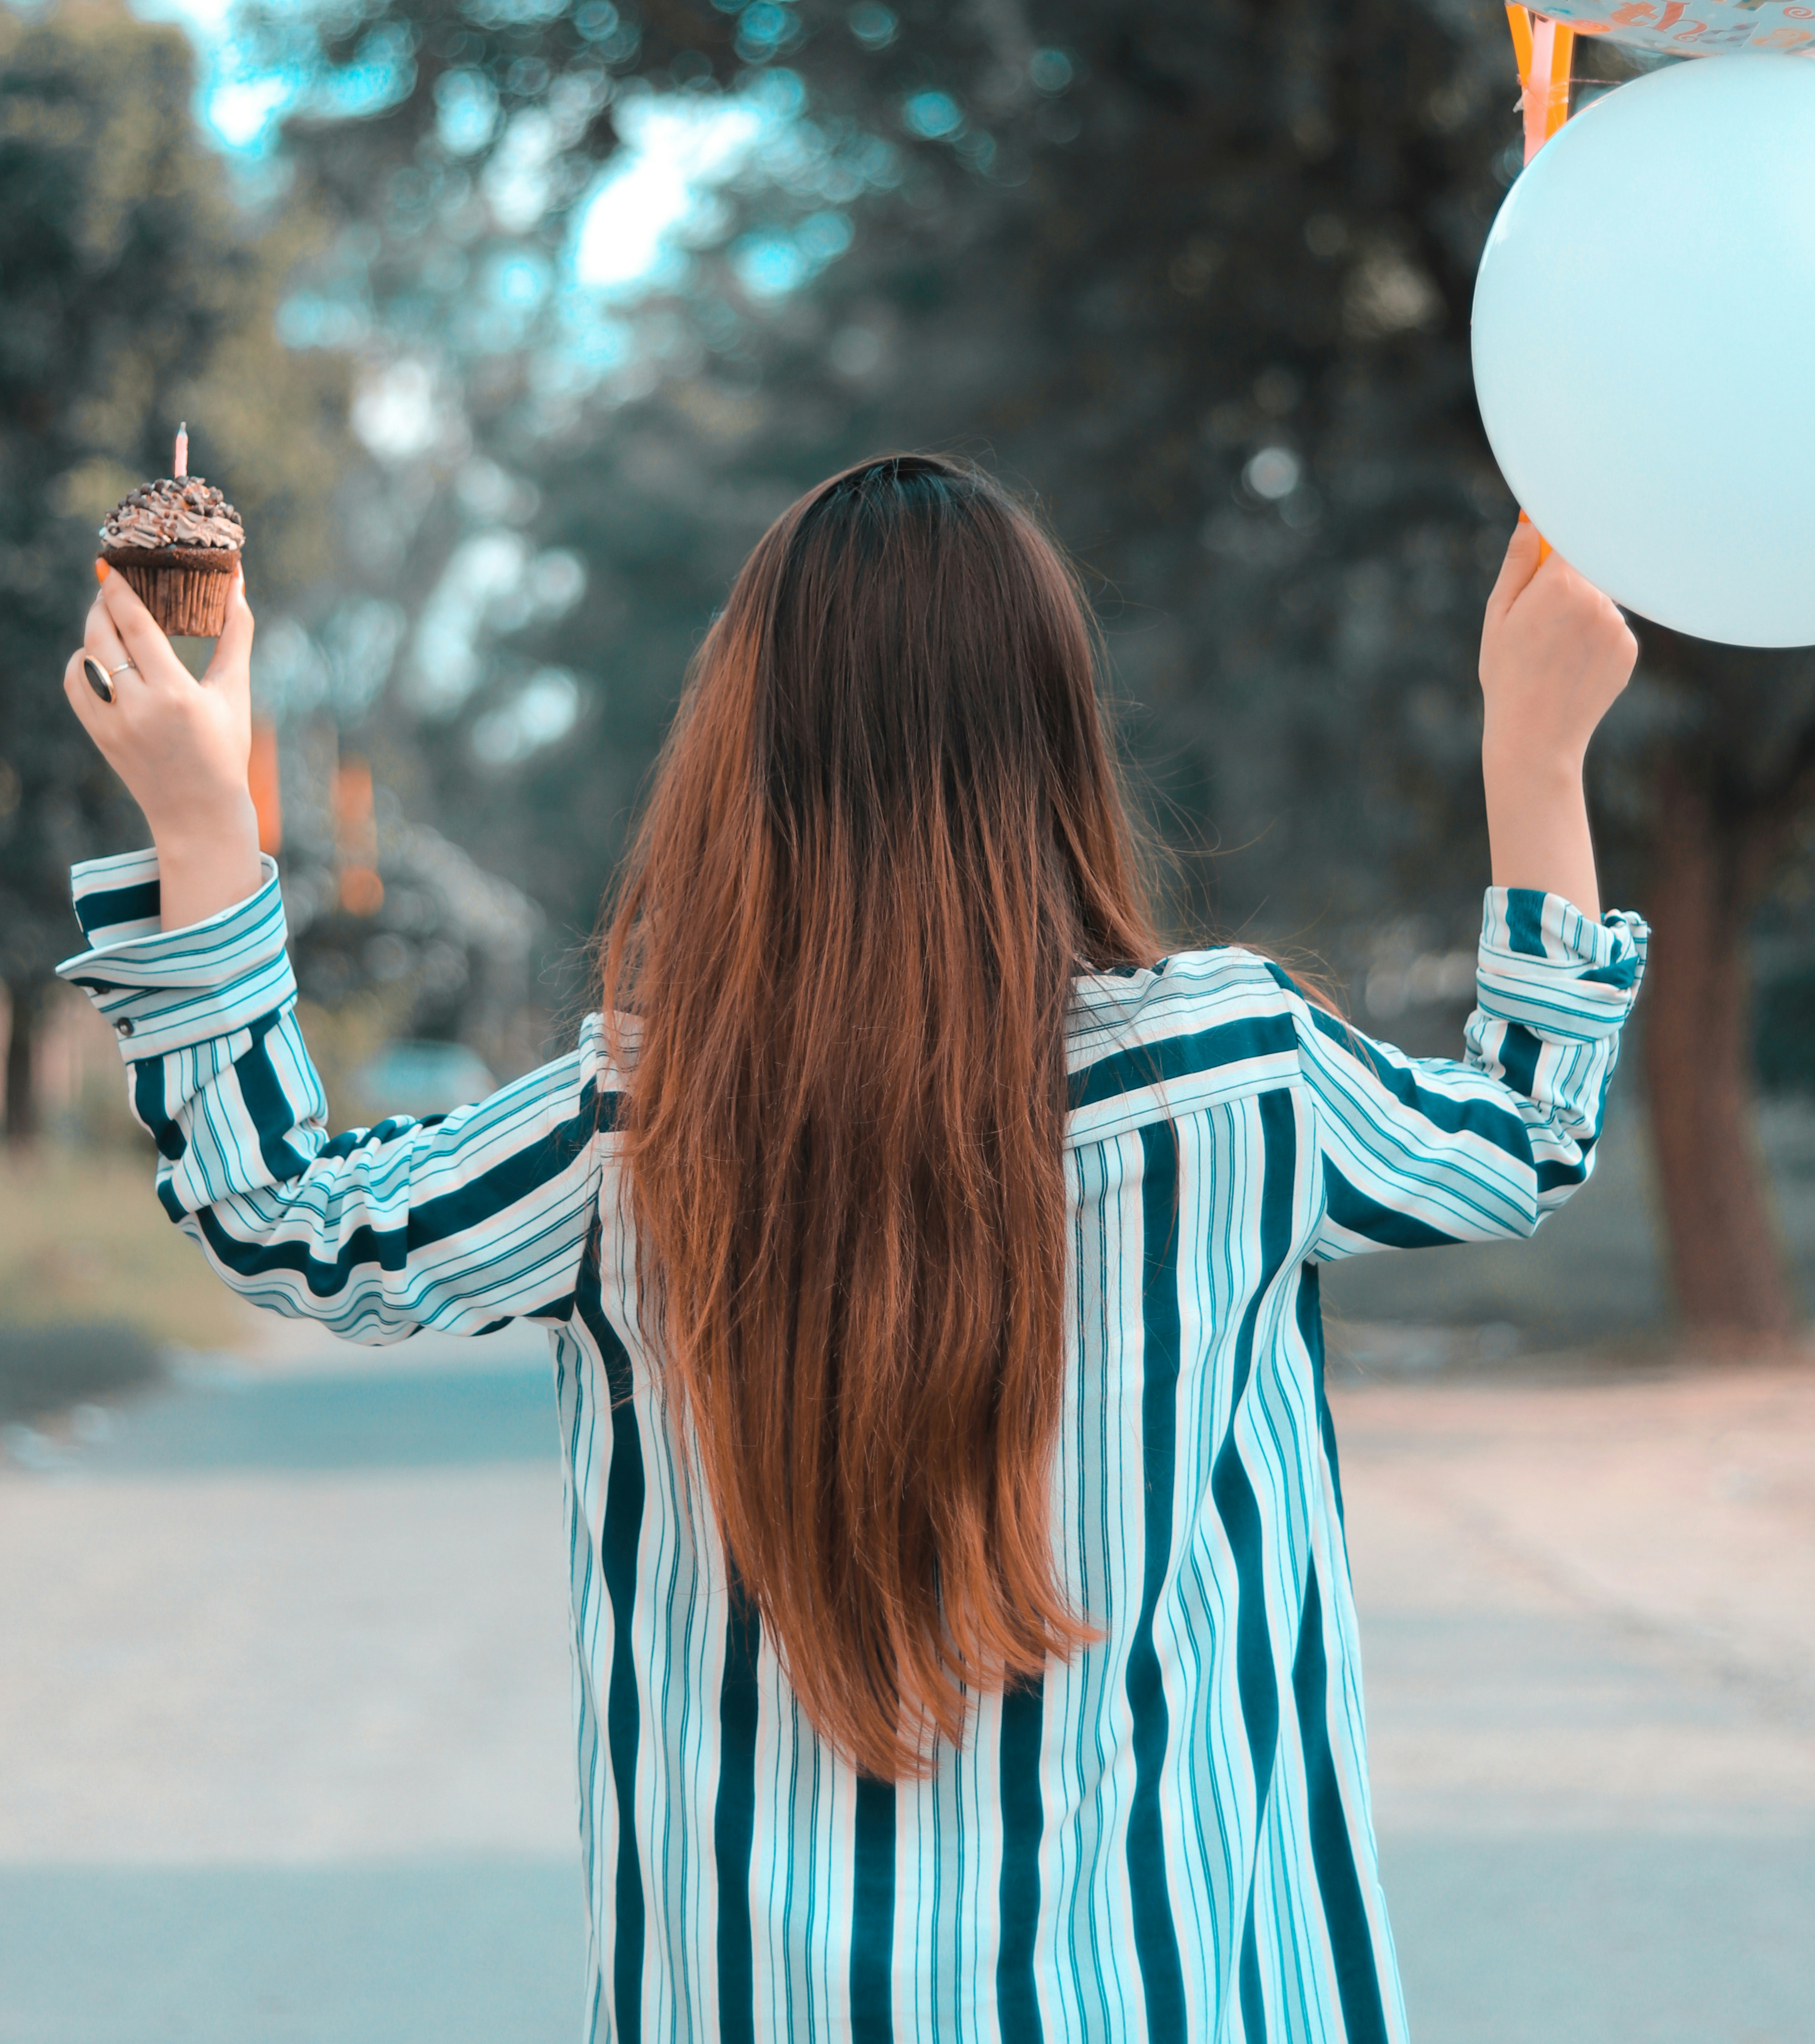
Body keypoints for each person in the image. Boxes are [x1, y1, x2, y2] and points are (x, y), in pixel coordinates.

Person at [60, 455, 1643, 2044]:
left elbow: (284, 1216)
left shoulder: (630, 1134)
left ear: (742, 752)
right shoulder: (1240, 1085)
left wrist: (203, 819)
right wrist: (1536, 746)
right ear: (1056, 739)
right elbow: (1525, 1133)